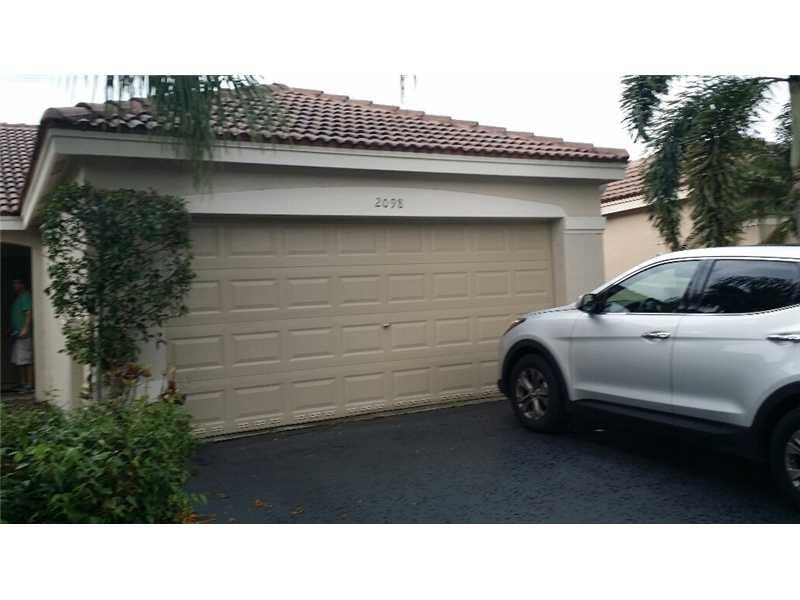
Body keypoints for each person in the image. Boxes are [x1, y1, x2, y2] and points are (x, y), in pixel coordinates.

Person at [9, 278, 33, 393]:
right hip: (17, 334)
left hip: (24, 334)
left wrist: (25, 328)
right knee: (19, 360)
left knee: (26, 359)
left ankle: (29, 385)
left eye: (17, 283)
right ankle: (23, 383)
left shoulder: (25, 296)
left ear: (22, 285)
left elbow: (28, 312)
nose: (14, 285)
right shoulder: (18, 298)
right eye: (14, 283)